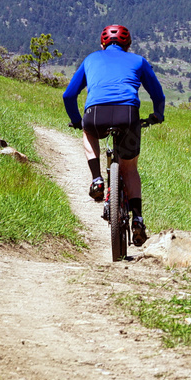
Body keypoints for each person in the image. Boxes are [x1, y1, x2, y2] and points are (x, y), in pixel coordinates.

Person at [63, 24, 165, 247]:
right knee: (130, 169)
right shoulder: (138, 60)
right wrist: (158, 115)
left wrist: (77, 120)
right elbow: (158, 93)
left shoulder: (91, 59)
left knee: (88, 132)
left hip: (95, 114)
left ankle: (97, 178)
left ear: (102, 44)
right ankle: (137, 218)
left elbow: (69, 95)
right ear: (128, 45)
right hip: (128, 115)